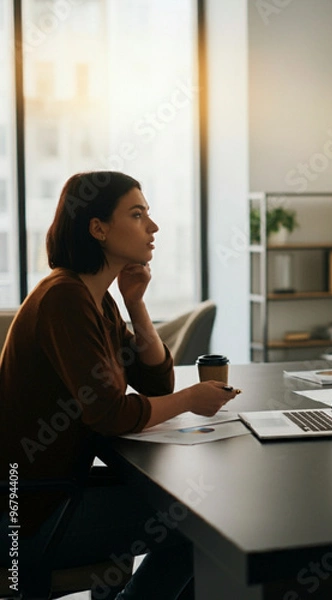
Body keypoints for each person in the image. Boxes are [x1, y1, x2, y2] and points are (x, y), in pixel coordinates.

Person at [0, 171, 239, 598]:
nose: (153, 226)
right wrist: (191, 399)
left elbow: (155, 379)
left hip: (47, 495)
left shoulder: (98, 299)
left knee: (184, 513)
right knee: (199, 526)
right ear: (98, 228)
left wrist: (135, 302)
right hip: (24, 515)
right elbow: (109, 414)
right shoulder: (65, 298)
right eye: (137, 214)